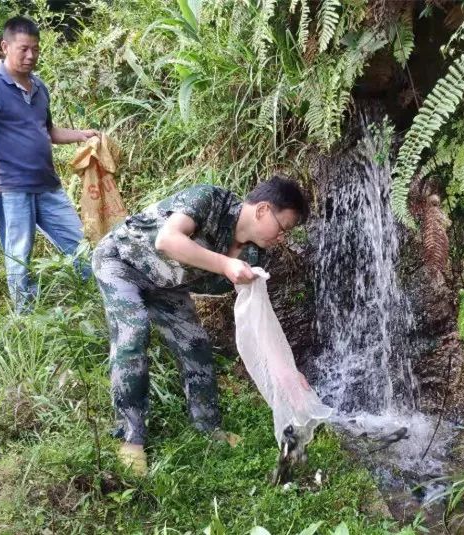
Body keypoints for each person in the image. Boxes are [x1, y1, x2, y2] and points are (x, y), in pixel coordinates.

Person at [93, 175, 309, 475]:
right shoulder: (209, 200)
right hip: (121, 263)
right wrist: (224, 264)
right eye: (283, 228)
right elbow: (167, 240)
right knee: (133, 334)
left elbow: (260, 319)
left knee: (196, 347)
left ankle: (209, 429)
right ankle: (131, 439)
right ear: (262, 210)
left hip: (168, 285)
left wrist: (288, 371)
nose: (281, 238)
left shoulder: (255, 254)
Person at [0, 16, 96, 313]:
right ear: (5, 46)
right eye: (23, 49)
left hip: (47, 185)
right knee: (19, 255)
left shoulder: (39, 87)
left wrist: (81, 135)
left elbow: (48, 132)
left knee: (78, 243)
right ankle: (25, 318)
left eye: (35, 49)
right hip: (12, 187)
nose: (30, 56)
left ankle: (94, 301)